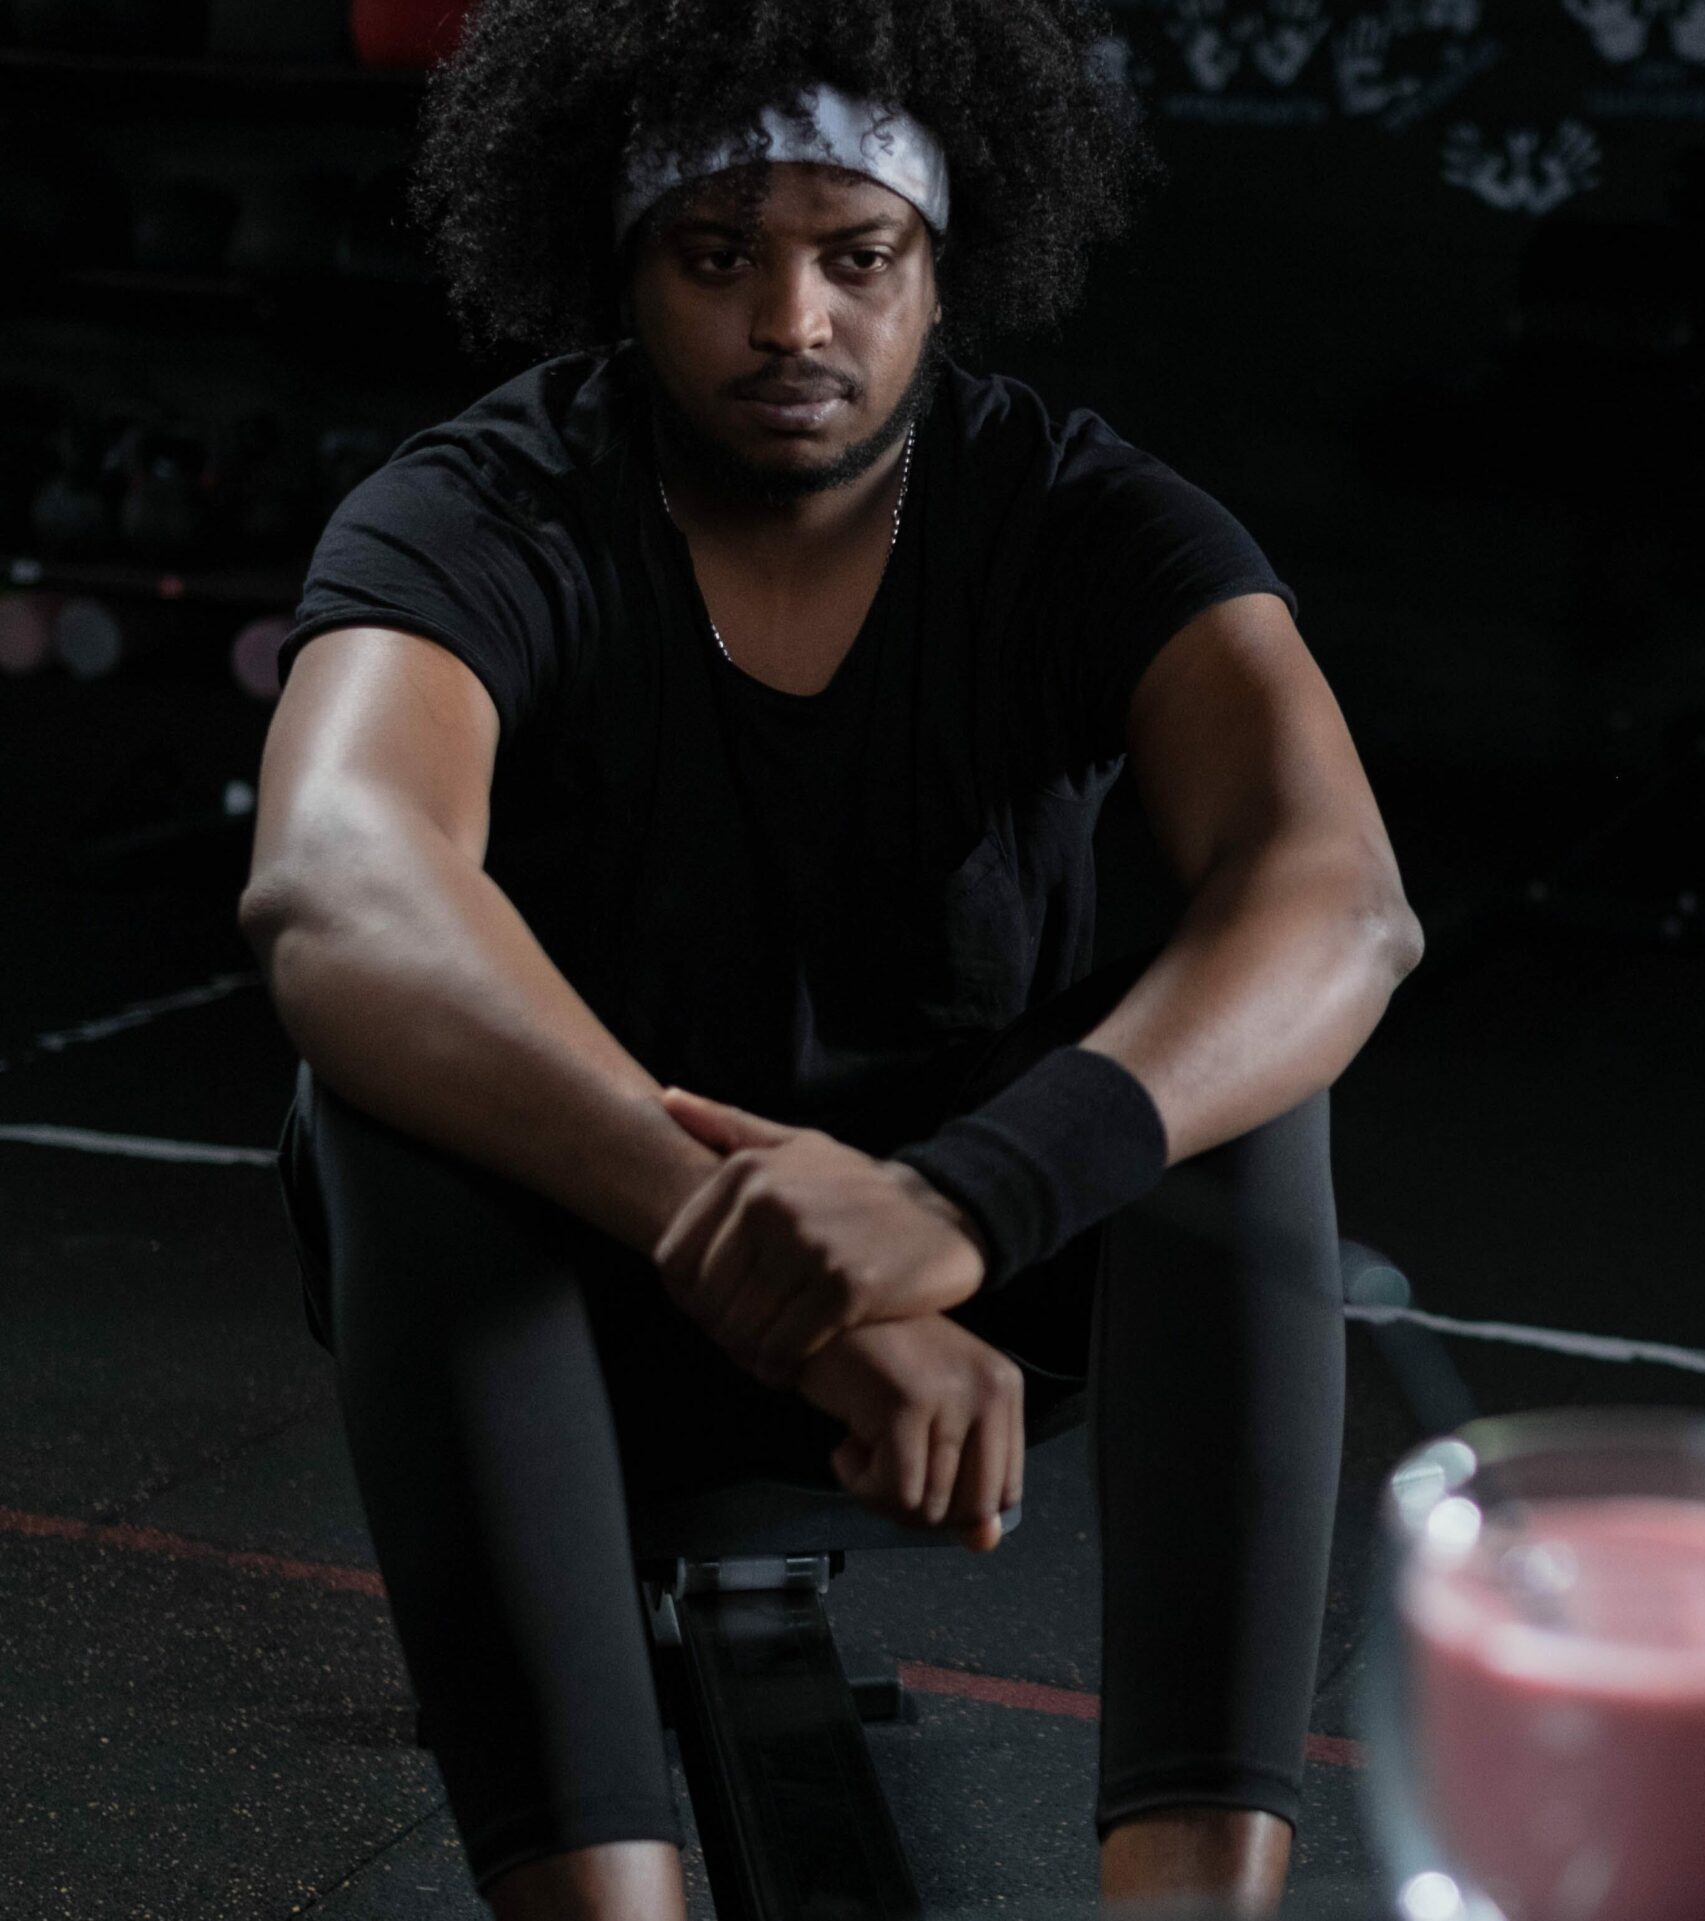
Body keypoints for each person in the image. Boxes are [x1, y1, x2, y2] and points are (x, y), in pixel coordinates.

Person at [235, 3, 1424, 1916]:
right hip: (575, 1296)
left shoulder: (1077, 511)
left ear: (943, 268)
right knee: (381, 1090)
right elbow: (331, 882)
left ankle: (1189, 1901)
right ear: (623, 270)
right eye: (719, 258)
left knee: (1243, 1094)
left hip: (968, 1288)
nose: (794, 321)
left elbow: (1339, 892)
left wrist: (959, 1206)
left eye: (857, 257)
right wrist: (771, 1260)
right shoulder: (485, 507)